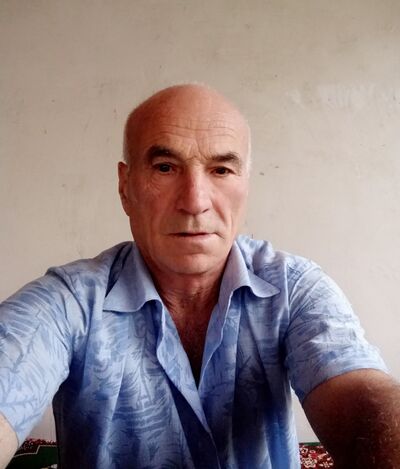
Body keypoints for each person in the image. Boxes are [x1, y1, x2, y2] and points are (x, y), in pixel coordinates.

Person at [0, 84, 399, 468]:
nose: (195, 201)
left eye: (221, 169)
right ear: (125, 187)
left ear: (245, 185)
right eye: (165, 167)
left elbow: (364, 402)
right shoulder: (70, 302)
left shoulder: (292, 289)